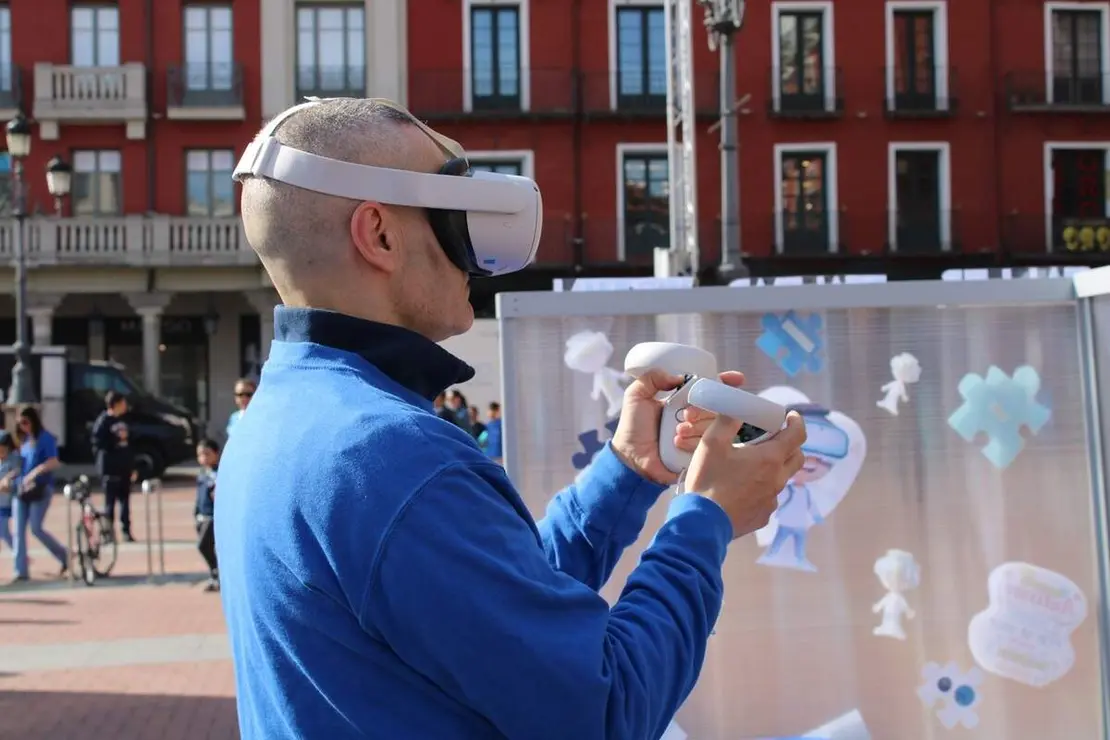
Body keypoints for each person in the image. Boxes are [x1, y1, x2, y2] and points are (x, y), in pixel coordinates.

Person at [217, 97, 806, 739]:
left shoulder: (272, 419)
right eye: (451, 213)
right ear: (379, 234)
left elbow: (493, 610)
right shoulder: (392, 455)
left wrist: (628, 471)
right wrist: (706, 520)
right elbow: (609, 710)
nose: (473, 249)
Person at [11, 407, 68, 583]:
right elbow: (20, 464)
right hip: (22, 489)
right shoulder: (26, 441)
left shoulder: (46, 438)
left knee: (36, 527)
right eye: (20, 424)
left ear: (33, 421)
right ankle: (21, 571)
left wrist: (36, 472)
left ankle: (63, 555)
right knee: (19, 530)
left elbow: (53, 461)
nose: (23, 427)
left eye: (26, 423)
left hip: (40, 488)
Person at [91, 390, 136, 542]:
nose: (125, 406)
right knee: (110, 503)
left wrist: (132, 466)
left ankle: (126, 531)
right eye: (122, 403)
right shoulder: (103, 422)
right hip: (110, 468)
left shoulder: (125, 420)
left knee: (125, 501)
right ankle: (108, 533)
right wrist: (115, 439)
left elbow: (131, 444)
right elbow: (98, 443)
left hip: (124, 467)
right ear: (115, 404)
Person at [194, 438, 220, 592]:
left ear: (216, 454)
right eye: (200, 455)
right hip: (202, 516)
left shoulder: (219, 473)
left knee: (203, 546)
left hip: (213, 517)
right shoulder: (203, 473)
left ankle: (217, 573)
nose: (203, 458)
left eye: (207, 454)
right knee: (207, 546)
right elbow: (199, 496)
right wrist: (196, 512)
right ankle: (214, 575)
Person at [0, 431, 21, 553]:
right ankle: (20, 554)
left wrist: (8, 481)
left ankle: (20, 555)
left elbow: (17, 475)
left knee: (12, 531)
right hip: (2, 504)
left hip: (13, 501)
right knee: (4, 532)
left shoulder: (14, 458)